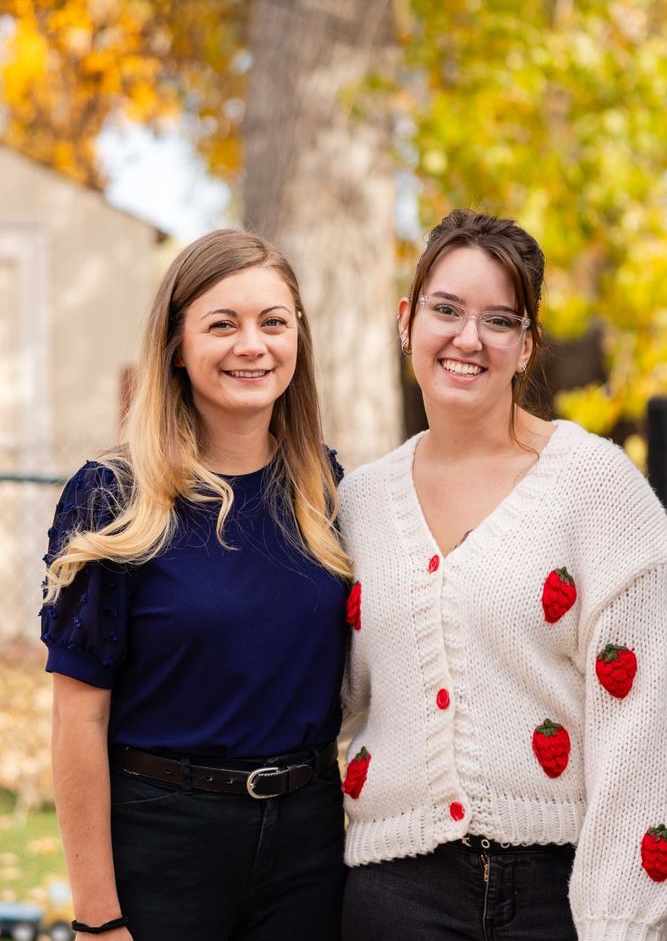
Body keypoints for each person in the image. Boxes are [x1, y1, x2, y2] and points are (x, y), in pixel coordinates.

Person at [338, 209, 667, 941]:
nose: (466, 338)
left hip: (561, 895)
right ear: (406, 320)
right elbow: (321, 695)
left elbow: (644, 725)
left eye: (498, 320)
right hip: (393, 897)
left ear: (526, 345)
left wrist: (621, 922)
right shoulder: (356, 503)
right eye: (445, 310)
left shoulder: (596, 489)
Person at [40, 229, 352, 941]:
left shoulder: (325, 490)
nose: (253, 345)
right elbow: (76, 721)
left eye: (273, 322)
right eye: (222, 324)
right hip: (164, 843)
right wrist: (96, 919)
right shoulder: (114, 498)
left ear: (297, 337)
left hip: (308, 847)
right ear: (177, 346)